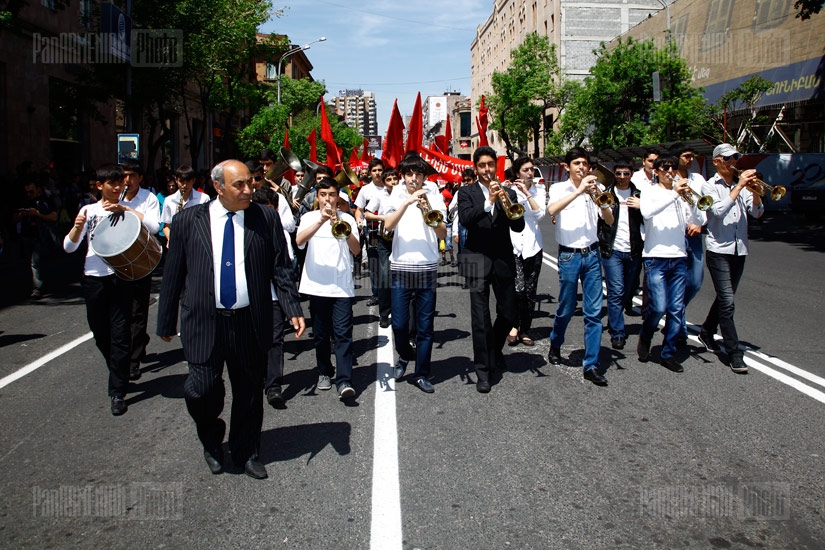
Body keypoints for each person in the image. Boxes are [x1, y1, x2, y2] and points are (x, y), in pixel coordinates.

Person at [156, 160, 305, 479]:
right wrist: (166, 319)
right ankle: (211, 440)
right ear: (218, 186)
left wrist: (292, 307)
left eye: (250, 182)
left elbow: (280, 266)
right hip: (203, 320)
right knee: (201, 389)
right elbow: (174, 273)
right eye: (240, 185)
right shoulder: (187, 221)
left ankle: (246, 451)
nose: (249, 190)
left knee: (250, 393)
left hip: (249, 321)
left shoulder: (265, 218)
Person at [63, 164, 146, 415]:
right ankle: (118, 369)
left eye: (121, 182)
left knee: (121, 334)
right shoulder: (88, 210)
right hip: (93, 278)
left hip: (120, 278)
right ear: (100, 186)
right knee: (100, 332)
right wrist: (77, 227)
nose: (119, 186)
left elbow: (149, 225)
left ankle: (117, 392)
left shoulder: (126, 209)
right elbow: (68, 247)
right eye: (113, 183)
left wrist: (126, 210)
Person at [458, 146, 525, 393]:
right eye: (482, 165)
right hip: (475, 258)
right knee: (480, 318)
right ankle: (483, 370)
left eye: (490, 164)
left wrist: (513, 207)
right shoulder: (466, 192)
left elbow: (518, 228)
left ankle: (495, 348)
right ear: (476, 168)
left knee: (509, 314)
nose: (487, 169)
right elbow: (466, 219)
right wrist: (489, 202)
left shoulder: (508, 191)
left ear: (495, 165)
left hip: (503, 259)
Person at [546, 148, 615, 386]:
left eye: (584, 163)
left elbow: (609, 220)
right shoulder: (558, 188)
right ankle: (556, 343)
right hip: (569, 256)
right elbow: (551, 210)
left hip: (592, 254)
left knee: (593, 313)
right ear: (567, 167)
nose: (581, 167)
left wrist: (600, 199)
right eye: (576, 163)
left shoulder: (597, 188)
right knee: (566, 307)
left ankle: (591, 365)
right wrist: (578, 191)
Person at [382, 155, 448, 393]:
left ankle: (421, 373)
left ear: (423, 177)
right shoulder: (396, 194)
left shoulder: (435, 194)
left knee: (425, 327)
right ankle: (404, 355)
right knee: (399, 325)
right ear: (403, 175)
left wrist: (426, 210)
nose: (414, 178)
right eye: (410, 174)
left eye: (418, 175)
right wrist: (407, 203)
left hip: (427, 269)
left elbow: (442, 234)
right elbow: (387, 226)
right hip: (400, 268)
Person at [699, 144, 763, 374]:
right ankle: (734, 351)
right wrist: (738, 188)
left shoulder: (742, 184)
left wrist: (754, 190)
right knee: (727, 301)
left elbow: (756, 212)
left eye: (735, 157)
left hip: (739, 249)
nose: (732, 161)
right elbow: (716, 211)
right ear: (716, 161)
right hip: (718, 250)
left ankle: (707, 331)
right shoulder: (709, 185)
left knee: (725, 298)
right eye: (727, 158)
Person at [295, 178, 360, 399]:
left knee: (343, 335)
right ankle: (324, 371)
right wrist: (321, 221)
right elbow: (299, 241)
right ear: (317, 196)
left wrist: (341, 227)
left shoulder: (347, 218)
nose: (327, 199)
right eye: (323, 194)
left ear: (337, 196)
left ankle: (344, 380)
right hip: (316, 286)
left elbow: (356, 250)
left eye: (331, 195)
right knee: (321, 335)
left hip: (341, 287)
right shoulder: (308, 217)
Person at [636, 156, 691, 372]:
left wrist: (692, 203)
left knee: (676, 308)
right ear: (657, 171)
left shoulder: (681, 193)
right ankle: (646, 334)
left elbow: (697, 219)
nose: (670, 171)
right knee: (658, 307)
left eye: (674, 167)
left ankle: (668, 353)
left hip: (679, 256)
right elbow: (647, 212)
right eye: (665, 168)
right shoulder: (650, 191)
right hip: (655, 256)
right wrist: (674, 194)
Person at [120, 160, 161, 380]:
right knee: (121, 311)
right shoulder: (115, 196)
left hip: (141, 258)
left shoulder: (149, 198)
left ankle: (133, 360)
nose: (127, 180)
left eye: (132, 176)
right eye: (124, 175)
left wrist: (128, 210)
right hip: (119, 260)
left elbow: (155, 226)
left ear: (140, 178)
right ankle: (133, 345)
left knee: (138, 311)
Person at [597, 159, 644, 350]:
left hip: (633, 250)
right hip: (612, 250)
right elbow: (601, 220)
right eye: (619, 173)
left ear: (631, 174)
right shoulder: (606, 194)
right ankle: (618, 332)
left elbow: (648, 219)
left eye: (626, 173)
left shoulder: (640, 195)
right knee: (615, 292)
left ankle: (616, 319)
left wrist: (642, 207)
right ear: (614, 175)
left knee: (628, 291)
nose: (622, 177)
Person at [251, 187, 291, 407]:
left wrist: (292, 307)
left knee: (276, 339)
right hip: (250, 298)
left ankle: (274, 385)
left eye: (271, 210)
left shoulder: (281, 233)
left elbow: (286, 267)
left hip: (274, 296)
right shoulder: (246, 230)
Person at [505, 157, 546, 347]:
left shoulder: (539, 190)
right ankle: (513, 325)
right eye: (525, 170)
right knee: (518, 289)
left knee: (530, 291)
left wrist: (527, 193)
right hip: (513, 246)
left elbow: (540, 215)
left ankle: (525, 329)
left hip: (533, 245)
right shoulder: (509, 191)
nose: (530, 173)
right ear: (517, 173)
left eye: (531, 169)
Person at [672, 145, 708, 345]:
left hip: (694, 234)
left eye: (692, 155)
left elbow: (705, 205)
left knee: (695, 281)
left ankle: (676, 310)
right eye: (686, 156)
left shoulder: (698, 179)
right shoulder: (668, 179)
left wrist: (701, 225)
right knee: (676, 281)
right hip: (675, 235)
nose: (690, 159)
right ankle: (678, 324)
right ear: (677, 158)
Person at [364, 168, 401, 328]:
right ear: (384, 182)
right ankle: (384, 313)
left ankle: (401, 310)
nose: (393, 182)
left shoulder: (404, 194)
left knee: (403, 277)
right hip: (385, 240)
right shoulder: (379, 195)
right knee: (385, 276)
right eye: (389, 179)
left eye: (395, 179)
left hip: (401, 239)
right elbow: (367, 214)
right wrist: (383, 217)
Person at [13, 180, 59, 299]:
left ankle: (38, 287)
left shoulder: (45, 201)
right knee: (30, 262)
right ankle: (36, 284)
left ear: (38, 189)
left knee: (37, 262)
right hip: (27, 235)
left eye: (31, 192)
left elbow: (54, 217)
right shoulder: (24, 201)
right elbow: (14, 219)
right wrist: (22, 215)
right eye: (27, 192)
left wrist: (38, 214)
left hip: (42, 235)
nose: (29, 194)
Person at [353, 158, 386, 307]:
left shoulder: (390, 186)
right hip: (371, 231)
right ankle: (376, 294)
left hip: (389, 231)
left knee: (388, 263)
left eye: (380, 170)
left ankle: (388, 293)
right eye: (374, 170)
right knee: (374, 263)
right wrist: (360, 223)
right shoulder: (365, 190)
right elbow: (359, 210)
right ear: (370, 173)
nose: (377, 173)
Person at [160, 165, 210, 243]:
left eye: (188, 181)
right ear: (176, 180)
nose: (185, 185)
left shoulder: (204, 199)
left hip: (196, 243)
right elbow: (166, 226)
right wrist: (171, 240)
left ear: (193, 180)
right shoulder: (169, 200)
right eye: (182, 181)